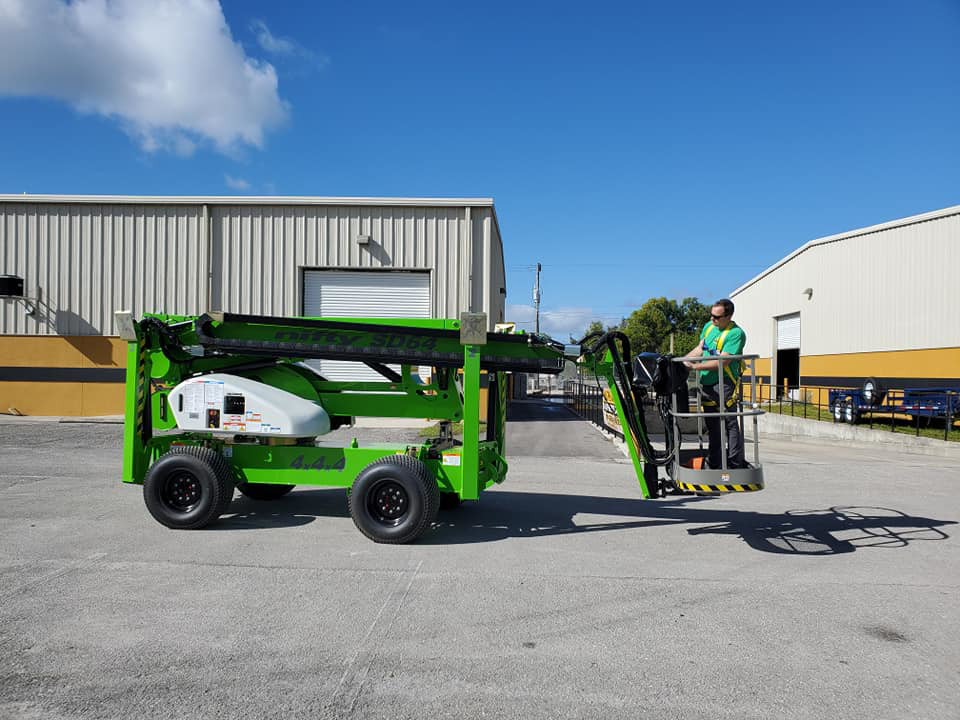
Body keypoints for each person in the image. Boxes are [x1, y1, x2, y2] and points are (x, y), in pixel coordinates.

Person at [682, 299, 747, 469]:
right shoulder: (709, 327)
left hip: (723, 383)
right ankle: (715, 461)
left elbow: (723, 361)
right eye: (711, 315)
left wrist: (695, 367)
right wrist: (683, 362)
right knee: (712, 425)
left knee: (729, 422)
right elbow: (700, 349)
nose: (712, 320)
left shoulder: (735, 334)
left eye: (717, 317)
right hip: (707, 383)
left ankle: (734, 462)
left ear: (729, 316)